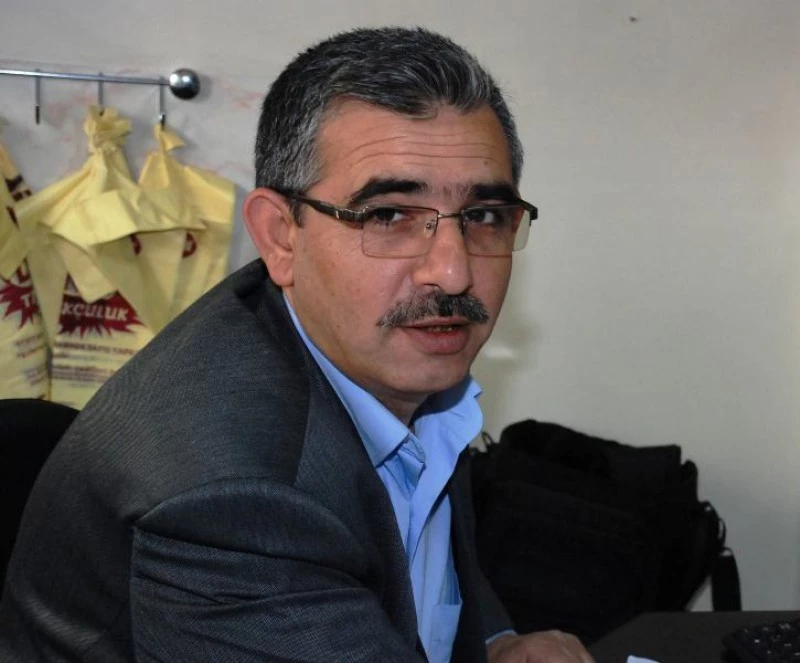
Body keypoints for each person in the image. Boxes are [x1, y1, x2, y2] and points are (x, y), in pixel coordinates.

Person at [0, 27, 594, 663]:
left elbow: (414, 534)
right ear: (281, 237)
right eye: (389, 215)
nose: (452, 272)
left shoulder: (393, 361)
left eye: (483, 217)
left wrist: (496, 642)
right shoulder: (230, 503)